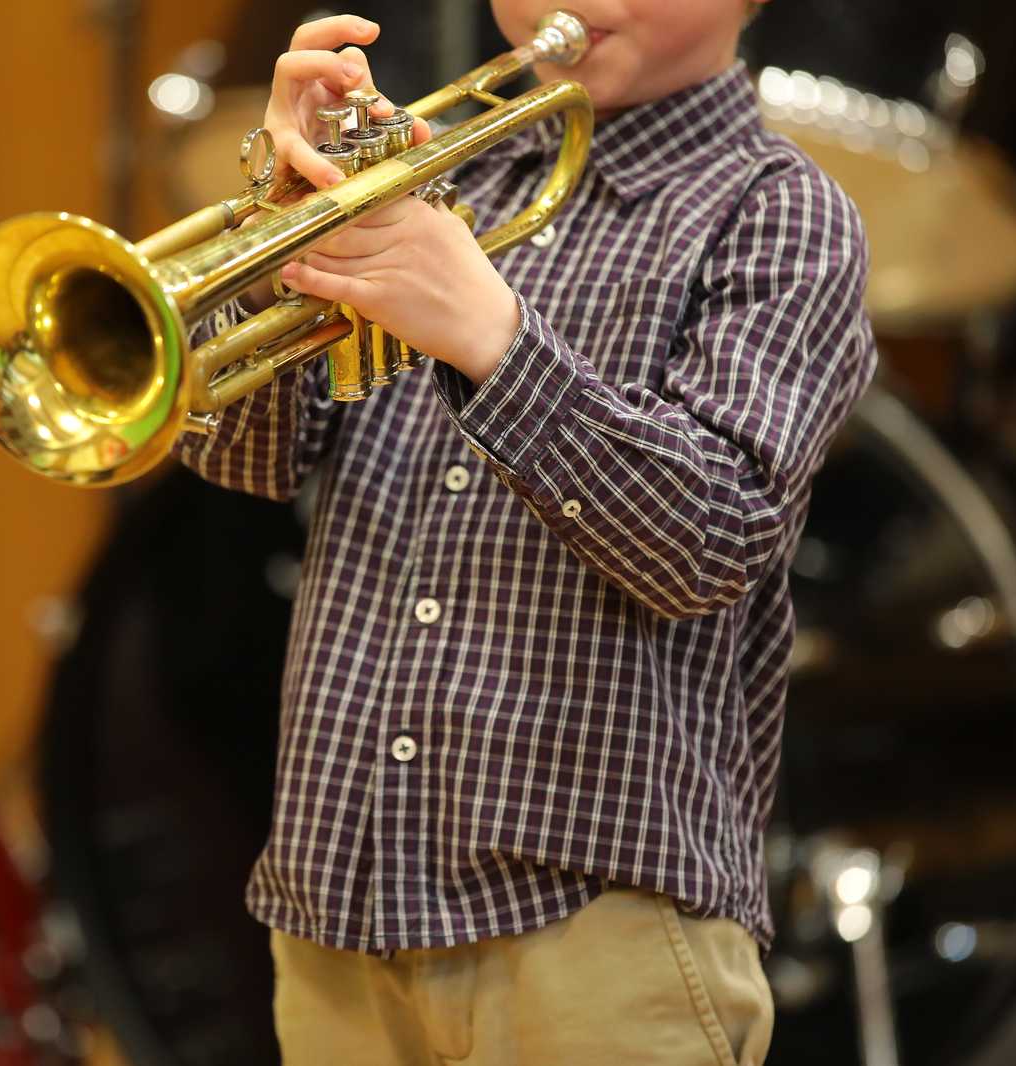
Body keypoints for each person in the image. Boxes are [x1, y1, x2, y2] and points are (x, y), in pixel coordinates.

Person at [174, 2, 876, 1062]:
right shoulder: (438, 172)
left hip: (599, 927)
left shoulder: (779, 213)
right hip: (337, 908)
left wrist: (493, 340)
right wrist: (275, 232)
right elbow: (245, 457)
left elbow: (710, 539)